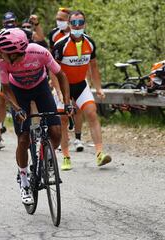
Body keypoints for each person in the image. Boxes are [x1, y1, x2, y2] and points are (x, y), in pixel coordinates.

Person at [0, 28, 71, 205]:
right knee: (24, 139)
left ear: (14, 53)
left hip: (40, 87)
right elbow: (6, 89)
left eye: (2, 51)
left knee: (56, 132)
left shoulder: (39, 52)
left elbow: (61, 75)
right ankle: (24, 180)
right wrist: (18, 108)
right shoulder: (2, 62)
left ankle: (47, 157)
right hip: (18, 92)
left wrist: (66, 102)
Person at [52, 10, 112, 170]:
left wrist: (98, 88)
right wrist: (58, 91)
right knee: (63, 120)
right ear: (70, 24)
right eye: (74, 23)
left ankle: (100, 154)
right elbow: (52, 70)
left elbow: (93, 66)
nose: (77, 26)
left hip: (80, 85)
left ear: (85, 24)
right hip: (63, 87)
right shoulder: (60, 45)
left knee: (92, 112)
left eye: (80, 23)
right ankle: (65, 156)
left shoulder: (90, 43)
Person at [48, 7, 85, 152]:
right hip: (59, 75)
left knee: (77, 107)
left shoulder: (80, 33)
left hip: (76, 75)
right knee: (61, 111)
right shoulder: (53, 34)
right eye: (58, 19)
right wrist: (53, 77)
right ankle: (64, 140)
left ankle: (78, 138)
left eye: (62, 19)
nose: (59, 22)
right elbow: (50, 57)